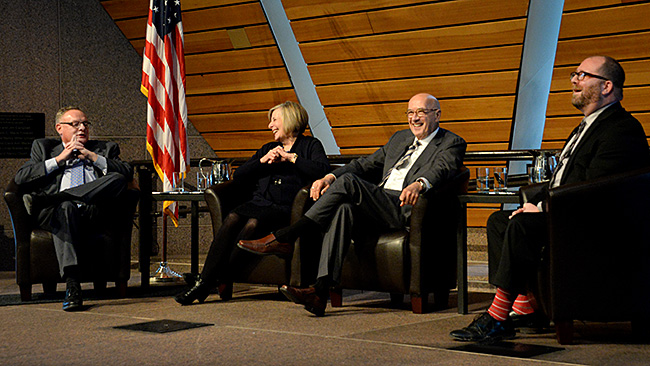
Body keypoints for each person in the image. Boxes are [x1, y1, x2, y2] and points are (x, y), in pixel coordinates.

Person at [450, 55, 650, 342]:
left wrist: (543, 207)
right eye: (574, 74)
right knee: (499, 221)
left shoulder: (621, 128)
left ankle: (496, 316)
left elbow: (596, 188)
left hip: (596, 226)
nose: (574, 80)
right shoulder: (586, 126)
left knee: (522, 225)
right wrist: (536, 203)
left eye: (583, 75)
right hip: (567, 213)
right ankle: (526, 307)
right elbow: (563, 178)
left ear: (606, 86)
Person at [238, 93, 467, 316]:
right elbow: (363, 164)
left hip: (406, 206)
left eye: (421, 112)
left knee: (348, 183)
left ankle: (288, 235)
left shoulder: (451, 142)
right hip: (380, 203)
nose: (414, 118)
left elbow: (443, 168)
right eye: (410, 112)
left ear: (437, 115)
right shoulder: (400, 138)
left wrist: (420, 183)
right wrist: (330, 177)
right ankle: (320, 292)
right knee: (343, 208)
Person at [175, 101, 330, 305]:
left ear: (290, 120)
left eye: (274, 120)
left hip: (287, 210)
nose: (270, 125)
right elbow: (239, 175)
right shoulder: (268, 148)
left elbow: (321, 170)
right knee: (232, 217)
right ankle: (208, 281)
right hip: (259, 204)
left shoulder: (310, 146)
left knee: (253, 224)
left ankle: (205, 281)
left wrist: (292, 158)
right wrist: (262, 160)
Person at [15, 106, 134, 312]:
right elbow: (21, 177)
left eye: (85, 124)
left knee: (117, 178)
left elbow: (126, 172)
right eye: (75, 124)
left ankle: (54, 198)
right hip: (57, 213)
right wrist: (60, 159)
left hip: (93, 211)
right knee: (66, 208)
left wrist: (91, 157)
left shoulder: (104, 149)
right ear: (59, 128)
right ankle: (72, 284)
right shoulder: (43, 148)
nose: (82, 128)